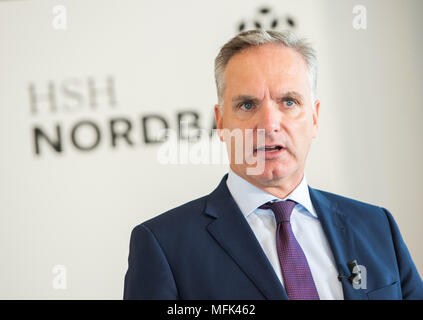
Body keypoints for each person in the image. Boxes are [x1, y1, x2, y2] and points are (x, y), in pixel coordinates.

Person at [123, 30, 423, 300]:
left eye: (289, 102)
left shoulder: (377, 226)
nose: (269, 124)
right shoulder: (164, 245)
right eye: (247, 105)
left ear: (315, 117)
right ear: (221, 121)